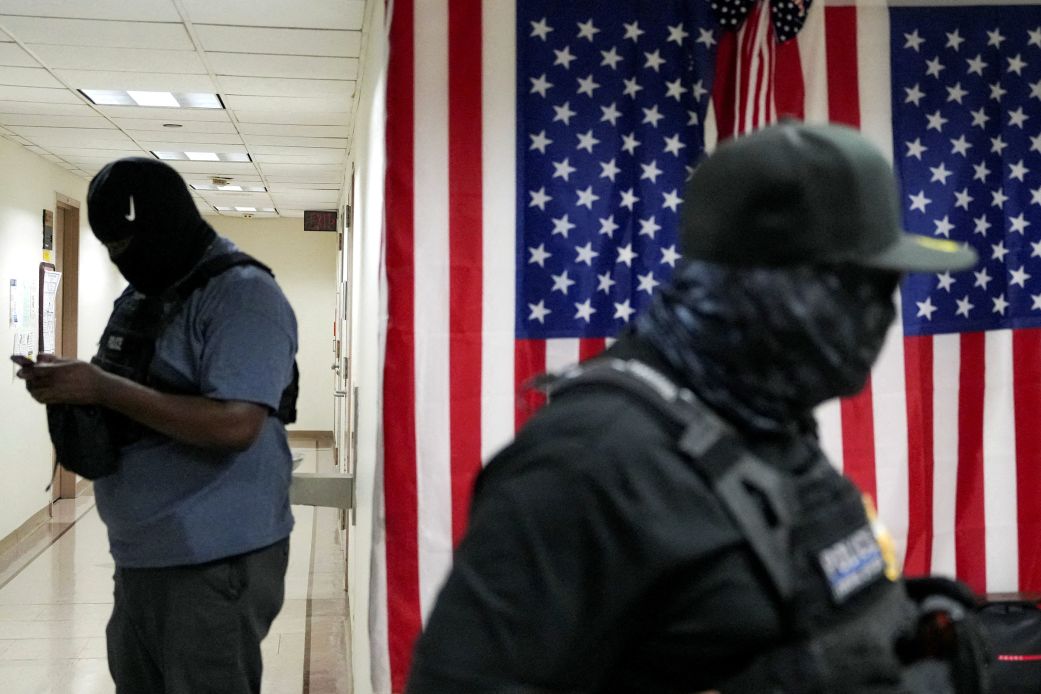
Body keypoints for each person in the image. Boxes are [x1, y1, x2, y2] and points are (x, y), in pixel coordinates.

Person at [405, 122, 990, 693]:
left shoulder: (759, 421)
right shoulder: (586, 464)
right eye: (858, 288)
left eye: (889, 291)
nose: (882, 317)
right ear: (761, 286)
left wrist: (898, 626)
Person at [16, 158, 298, 694]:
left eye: (130, 247)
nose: (124, 262)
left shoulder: (242, 295)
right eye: (112, 249)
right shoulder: (149, 291)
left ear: (168, 227)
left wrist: (99, 388)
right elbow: (132, 380)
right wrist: (71, 384)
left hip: (214, 562)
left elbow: (236, 424)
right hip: (146, 555)